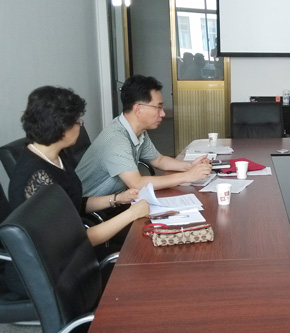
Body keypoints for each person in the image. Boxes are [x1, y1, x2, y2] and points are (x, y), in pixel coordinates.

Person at [6, 86, 150, 298]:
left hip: (74, 255)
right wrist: (131, 214)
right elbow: (72, 241)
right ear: (60, 127)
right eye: (77, 121)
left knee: (144, 245)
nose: (81, 125)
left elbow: (73, 203)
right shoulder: (35, 177)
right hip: (53, 273)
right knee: (141, 264)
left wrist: (117, 199)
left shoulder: (56, 155)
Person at [76, 75, 212, 197]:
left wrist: (190, 166)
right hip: (93, 207)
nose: (163, 114)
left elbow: (159, 160)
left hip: (120, 197)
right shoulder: (116, 139)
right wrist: (187, 176)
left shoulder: (138, 131)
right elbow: (137, 183)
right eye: (158, 107)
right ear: (138, 109)